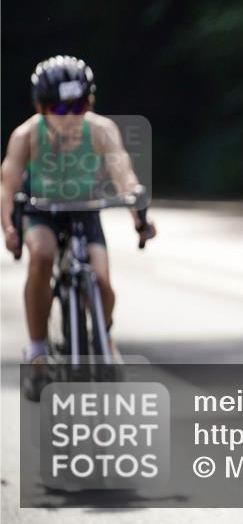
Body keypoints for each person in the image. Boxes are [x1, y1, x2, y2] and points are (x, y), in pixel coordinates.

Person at [1, 56, 157, 400]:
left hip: (84, 210)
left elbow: (123, 174)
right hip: (42, 210)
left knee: (101, 281)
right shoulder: (26, 135)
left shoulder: (101, 130)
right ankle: (38, 351)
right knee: (41, 255)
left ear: (89, 102)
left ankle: (103, 335)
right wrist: (10, 227)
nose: (70, 116)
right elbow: (8, 185)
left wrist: (138, 214)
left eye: (78, 105)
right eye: (58, 107)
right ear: (41, 107)